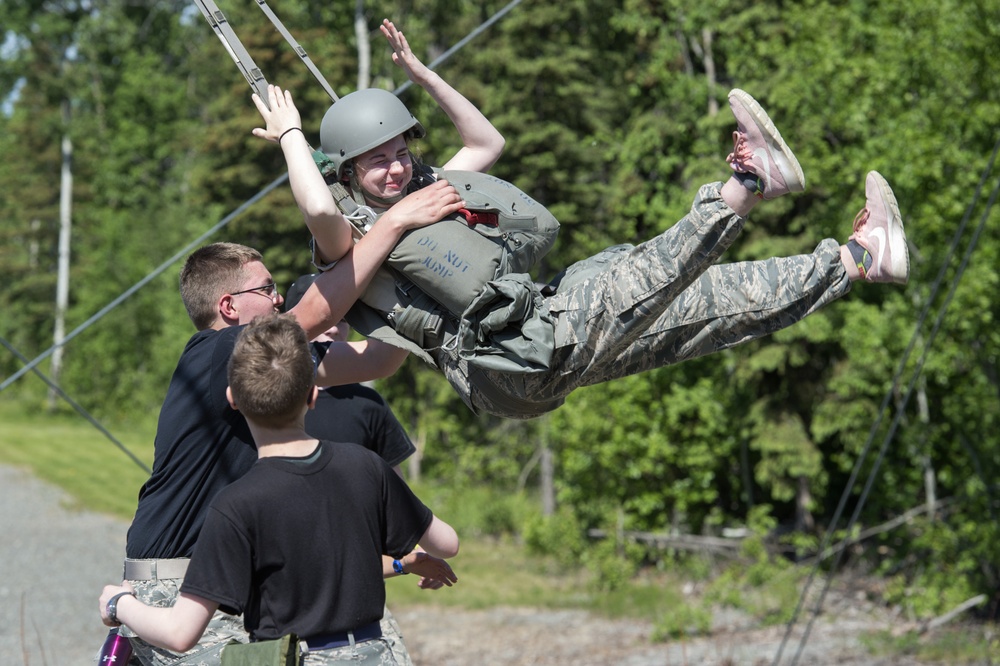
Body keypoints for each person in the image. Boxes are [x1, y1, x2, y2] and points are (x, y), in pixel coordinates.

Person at [253, 18, 910, 421]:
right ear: (346, 175)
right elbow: (316, 207)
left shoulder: (427, 197)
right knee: (635, 278)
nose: (395, 170)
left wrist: (421, 76)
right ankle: (747, 182)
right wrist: (291, 135)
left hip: (533, 348)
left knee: (703, 305)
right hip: (512, 354)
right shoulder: (353, 242)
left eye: (401, 153)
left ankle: (858, 259)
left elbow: (487, 143)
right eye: (375, 164)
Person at [116, 240, 459, 665]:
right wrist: (392, 225)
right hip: (177, 579)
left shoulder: (263, 360)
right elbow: (317, 312)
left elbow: (380, 360)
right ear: (228, 306)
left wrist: (411, 280)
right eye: (266, 287)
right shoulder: (215, 350)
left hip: (224, 572)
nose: (278, 297)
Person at [284, 273, 441, 666]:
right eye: (326, 316)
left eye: (344, 316)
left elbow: (394, 492)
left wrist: (415, 548)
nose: (335, 325)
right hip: (284, 573)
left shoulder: (368, 403)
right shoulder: (273, 398)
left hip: (353, 579)